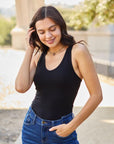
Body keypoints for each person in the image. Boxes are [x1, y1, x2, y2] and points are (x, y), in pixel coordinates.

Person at [15, 6, 103, 144]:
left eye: (52, 29)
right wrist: (30, 49)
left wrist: (71, 126)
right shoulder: (38, 56)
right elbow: (21, 87)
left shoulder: (77, 51)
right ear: (35, 33)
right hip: (32, 127)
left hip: (62, 129)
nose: (48, 36)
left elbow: (97, 95)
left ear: (61, 26)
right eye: (41, 32)